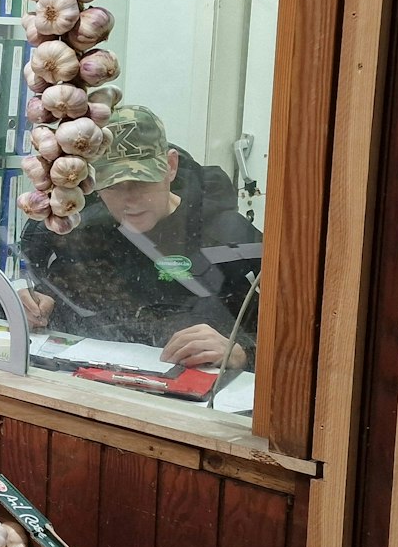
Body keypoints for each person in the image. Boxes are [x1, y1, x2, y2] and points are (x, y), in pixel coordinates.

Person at [16, 105, 262, 370]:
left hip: (200, 396)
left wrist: (242, 352)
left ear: (170, 166)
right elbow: (73, 299)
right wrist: (42, 304)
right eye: (113, 186)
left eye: (142, 182)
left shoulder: (228, 236)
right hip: (101, 382)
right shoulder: (87, 232)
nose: (130, 201)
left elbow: (296, 333)